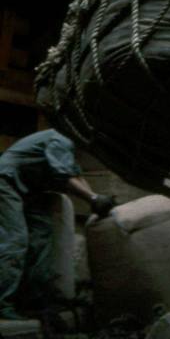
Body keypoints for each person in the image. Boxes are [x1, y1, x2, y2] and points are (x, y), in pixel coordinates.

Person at [0, 128, 116, 321]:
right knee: (16, 240)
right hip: (5, 181)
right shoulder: (60, 139)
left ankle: (33, 300)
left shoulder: (68, 148)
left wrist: (94, 198)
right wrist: (93, 198)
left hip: (29, 189)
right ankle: (3, 303)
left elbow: (76, 175)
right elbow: (64, 175)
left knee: (42, 236)